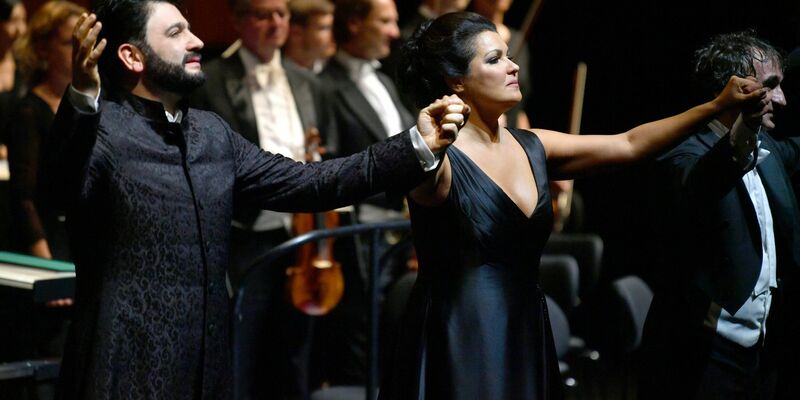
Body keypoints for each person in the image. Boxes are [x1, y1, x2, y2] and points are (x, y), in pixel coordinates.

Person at [46, 1, 468, 398]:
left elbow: (313, 182)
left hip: (206, 364)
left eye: (191, 29)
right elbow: (57, 189)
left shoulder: (211, 133)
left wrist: (415, 145)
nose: (195, 40)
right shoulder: (99, 131)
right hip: (123, 366)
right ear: (132, 57)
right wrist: (83, 98)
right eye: (177, 32)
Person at [380, 12, 765, 399]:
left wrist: (717, 106)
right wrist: (427, 147)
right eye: (495, 60)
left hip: (525, 326)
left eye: (509, 55)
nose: (514, 66)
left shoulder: (532, 144)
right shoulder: (437, 158)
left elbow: (628, 144)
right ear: (456, 81)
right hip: (460, 337)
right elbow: (420, 174)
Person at [640, 31, 800, 399]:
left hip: (760, 355)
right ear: (735, 89)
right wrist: (744, 129)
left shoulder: (770, 149)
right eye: (770, 86)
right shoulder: (682, 154)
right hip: (700, 358)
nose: (781, 98)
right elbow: (705, 181)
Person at [191, 0, 338, 397]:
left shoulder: (310, 82)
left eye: (282, 14)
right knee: (242, 345)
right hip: (245, 232)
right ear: (238, 21)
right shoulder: (213, 79)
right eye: (262, 14)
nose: (276, 23)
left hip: (304, 234)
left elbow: (330, 149)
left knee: (294, 351)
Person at [9, 0, 85, 261]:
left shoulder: (96, 104)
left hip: (87, 237)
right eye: (69, 43)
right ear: (43, 49)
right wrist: (47, 264)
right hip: (54, 242)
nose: (81, 51)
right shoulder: (28, 111)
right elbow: (24, 199)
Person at [283, 0, 335, 74]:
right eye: (324, 28)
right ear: (296, 33)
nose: (333, 35)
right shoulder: (275, 76)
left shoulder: (331, 75)